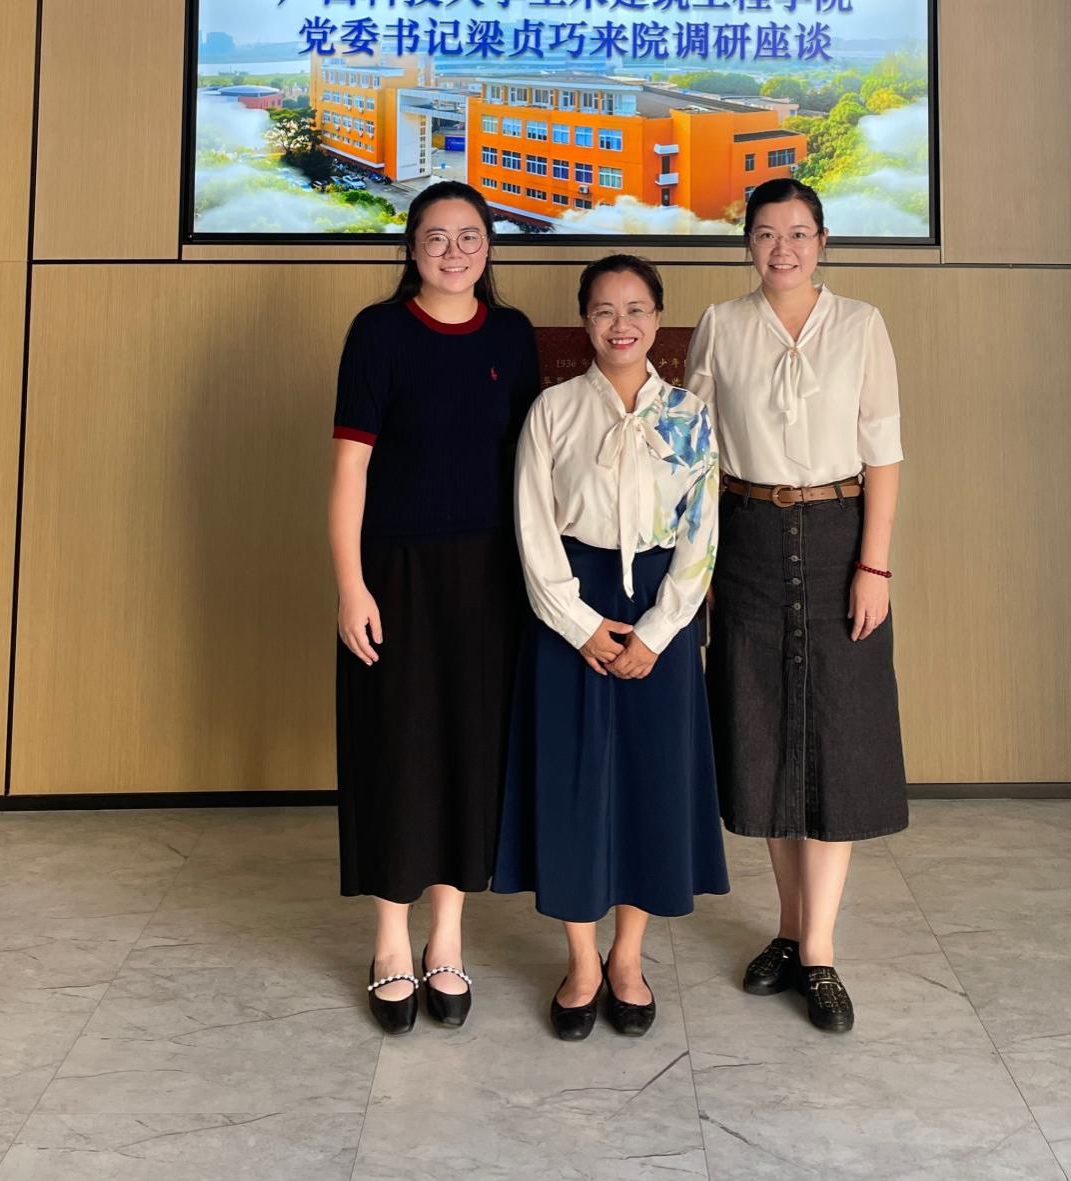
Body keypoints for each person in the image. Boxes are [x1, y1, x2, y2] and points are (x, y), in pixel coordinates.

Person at [685, 178, 907, 1036]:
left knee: (836, 735)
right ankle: (785, 926)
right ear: (747, 242)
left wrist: (874, 564)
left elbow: (883, 451)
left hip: (838, 533)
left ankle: (819, 950)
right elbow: (695, 455)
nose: (784, 247)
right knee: (766, 733)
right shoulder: (721, 324)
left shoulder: (861, 323)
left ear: (823, 241)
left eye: (800, 232)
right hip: (744, 533)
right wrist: (699, 563)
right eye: (768, 233)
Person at [493, 253, 727, 1040]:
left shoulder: (690, 415)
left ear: (657, 319)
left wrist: (658, 631)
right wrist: (578, 622)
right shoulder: (553, 409)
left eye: (634, 309)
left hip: (661, 609)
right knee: (573, 782)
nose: (619, 324)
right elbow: (531, 525)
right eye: (603, 310)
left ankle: (627, 957)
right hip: (572, 604)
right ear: (584, 320)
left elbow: (701, 535)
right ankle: (581, 960)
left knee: (648, 782)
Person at [330, 181, 540, 1034]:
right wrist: (351, 583)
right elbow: (350, 470)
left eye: (470, 236)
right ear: (411, 247)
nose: (455, 251)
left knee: (469, 749)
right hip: (395, 572)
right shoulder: (378, 332)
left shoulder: (513, 335)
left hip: (491, 575)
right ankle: (390, 938)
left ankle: (447, 933)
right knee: (397, 746)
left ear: (489, 246)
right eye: (437, 236)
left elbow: (532, 465)